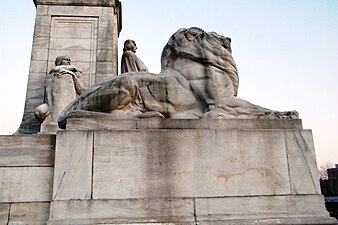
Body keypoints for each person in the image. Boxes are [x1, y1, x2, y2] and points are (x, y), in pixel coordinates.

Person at [35, 55, 85, 131]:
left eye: (69, 60)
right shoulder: (51, 75)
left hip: (68, 104)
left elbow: (81, 90)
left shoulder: (74, 73)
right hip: (52, 107)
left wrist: (73, 75)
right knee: (39, 112)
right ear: (60, 61)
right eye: (66, 59)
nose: (68, 61)